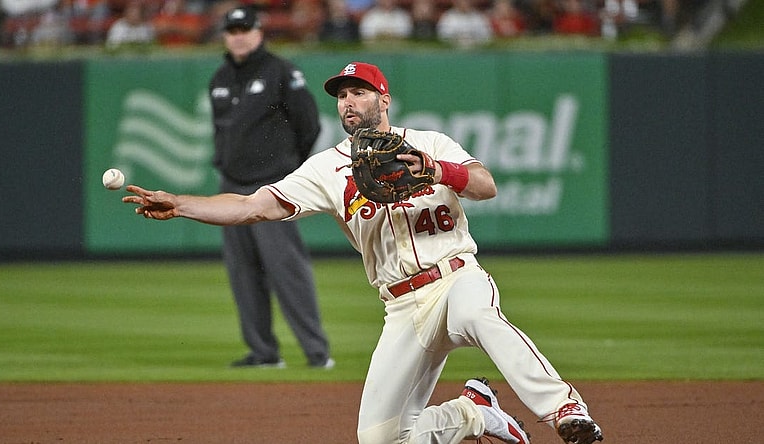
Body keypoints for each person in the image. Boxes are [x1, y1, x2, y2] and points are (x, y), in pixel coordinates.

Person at [123, 61, 605, 444]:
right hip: (400, 305)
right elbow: (253, 206)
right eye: (341, 95)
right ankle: (474, 414)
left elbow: (485, 186)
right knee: (379, 438)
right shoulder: (328, 168)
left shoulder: (428, 143)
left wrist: (438, 171)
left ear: (384, 98)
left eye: (359, 91)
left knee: (481, 317)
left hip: (456, 276)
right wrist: (182, 204)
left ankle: (564, 409)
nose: (348, 102)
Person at [205, 5, 333, 369]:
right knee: (243, 272)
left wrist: (288, 171)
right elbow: (221, 130)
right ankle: (263, 353)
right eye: (232, 30)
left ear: (259, 32)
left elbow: (309, 124)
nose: (239, 35)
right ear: (225, 36)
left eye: (245, 28)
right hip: (232, 185)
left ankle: (316, 352)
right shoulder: (220, 78)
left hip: (271, 185)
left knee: (286, 269)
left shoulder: (281, 71)